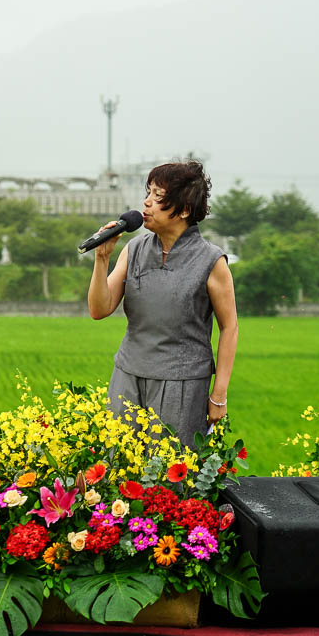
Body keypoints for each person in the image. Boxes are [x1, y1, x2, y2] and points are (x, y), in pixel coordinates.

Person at [86, 161, 236, 448]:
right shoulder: (134, 249)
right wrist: (102, 258)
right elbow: (99, 309)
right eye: (148, 193)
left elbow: (229, 327)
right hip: (127, 376)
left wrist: (219, 395)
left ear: (183, 210)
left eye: (158, 196)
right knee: (120, 468)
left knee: (170, 477)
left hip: (182, 384)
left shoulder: (211, 261)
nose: (146, 202)